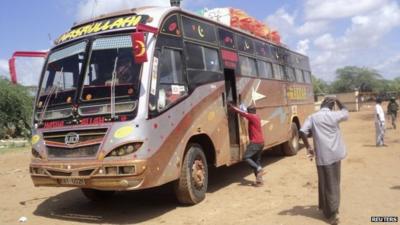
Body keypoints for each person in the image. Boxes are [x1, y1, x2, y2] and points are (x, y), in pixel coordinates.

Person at [299, 97, 349, 225]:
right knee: (334, 182)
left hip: (323, 156)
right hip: (336, 154)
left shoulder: (313, 117)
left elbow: (302, 131)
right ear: (332, 106)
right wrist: (338, 100)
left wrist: (308, 147)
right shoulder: (335, 115)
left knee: (325, 182)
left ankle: (332, 213)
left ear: (321, 105)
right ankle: (329, 210)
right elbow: (345, 111)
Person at [228, 103, 265, 186]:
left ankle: (259, 169)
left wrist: (232, 107)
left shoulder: (252, 117)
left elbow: (242, 113)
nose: (247, 112)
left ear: (251, 112)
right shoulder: (257, 116)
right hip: (261, 142)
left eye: (248, 111)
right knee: (256, 161)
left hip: (255, 142)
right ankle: (259, 181)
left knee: (246, 157)